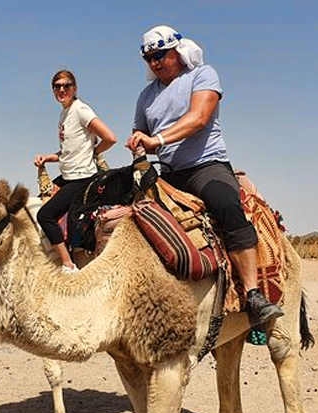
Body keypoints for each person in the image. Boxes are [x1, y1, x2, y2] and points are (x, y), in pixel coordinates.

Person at [125, 25, 283, 328]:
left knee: (226, 206)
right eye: (148, 58)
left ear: (177, 51)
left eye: (160, 55)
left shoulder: (202, 75)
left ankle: (253, 295)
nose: (154, 62)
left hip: (205, 165)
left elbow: (198, 118)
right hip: (167, 172)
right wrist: (138, 141)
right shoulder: (146, 96)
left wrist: (157, 140)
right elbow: (141, 132)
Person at [34, 70, 117, 272]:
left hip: (81, 177)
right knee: (41, 198)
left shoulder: (81, 110)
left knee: (45, 215)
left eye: (67, 85)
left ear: (75, 88)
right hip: (68, 175)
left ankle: (68, 264)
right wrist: (48, 158)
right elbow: (68, 151)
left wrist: (94, 152)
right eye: (57, 86)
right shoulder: (64, 114)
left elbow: (110, 138)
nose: (62, 89)